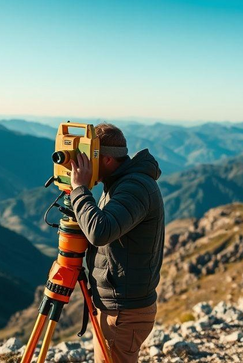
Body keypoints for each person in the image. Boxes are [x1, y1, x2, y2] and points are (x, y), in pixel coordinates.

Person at [69, 123, 165, 363]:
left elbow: (100, 232)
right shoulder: (119, 184)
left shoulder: (134, 188)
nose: (83, 164)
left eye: (89, 157)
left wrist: (79, 190)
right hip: (118, 307)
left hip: (124, 311)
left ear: (108, 159)